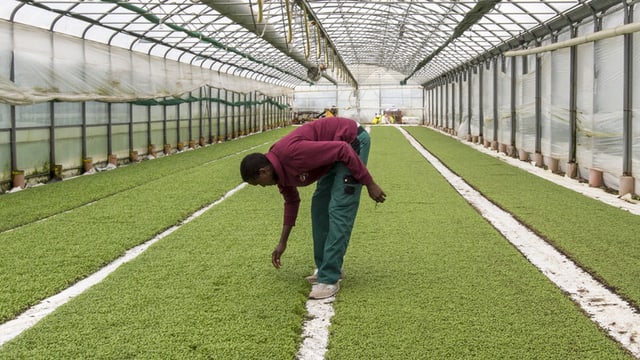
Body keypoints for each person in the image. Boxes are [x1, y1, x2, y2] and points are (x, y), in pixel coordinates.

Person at [240, 117, 386, 299]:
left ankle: (329, 278)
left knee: (340, 208)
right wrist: (282, 242)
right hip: (333, 153)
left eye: (258, 183)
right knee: (319, 207)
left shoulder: (292, 154)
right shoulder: (278, 171)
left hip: (351, 141)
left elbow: (343, 149)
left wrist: (369, 183)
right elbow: (291, 202)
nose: (262, 187)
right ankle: (326, 267)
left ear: (263, 172)